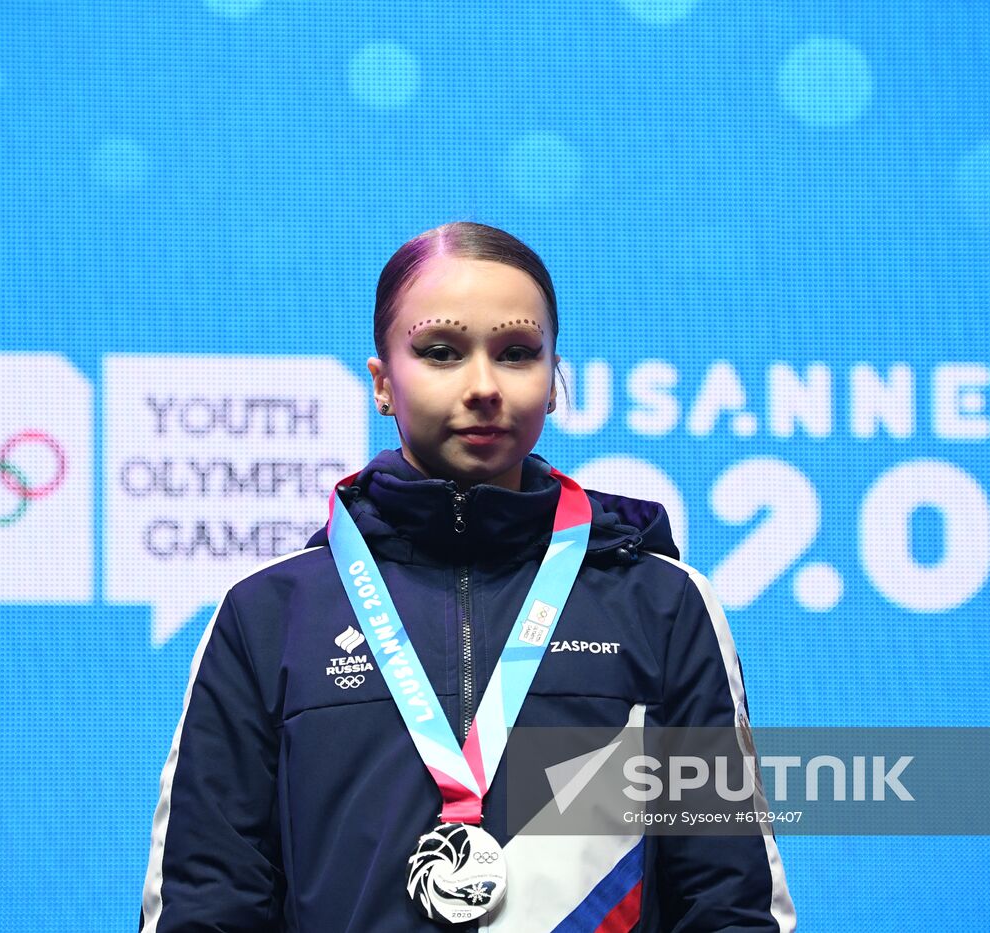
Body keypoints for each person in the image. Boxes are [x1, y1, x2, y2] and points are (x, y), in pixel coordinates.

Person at [139, 222, 795, 931]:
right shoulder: (271, 615)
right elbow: (209, 902)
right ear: (383, 383)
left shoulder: (662, 605)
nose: (484, 385)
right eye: (441, 352)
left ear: (552, 381)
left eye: (517, 353)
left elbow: (728, 901)